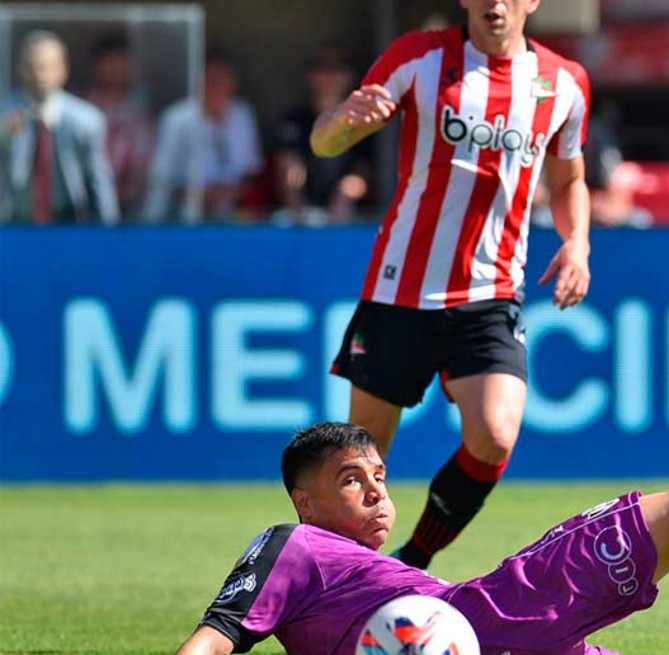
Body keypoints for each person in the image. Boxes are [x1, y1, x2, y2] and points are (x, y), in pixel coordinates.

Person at [171, 422, 669, 655]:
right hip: (498, 613)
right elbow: (213, 637)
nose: (376, 489)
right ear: (305, 502)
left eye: (381, 474)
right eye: (351, 479)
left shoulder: (358, 573)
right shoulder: (290, 545)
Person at [310, 0, 593, 571]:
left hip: (491, 293)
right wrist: (344, 122)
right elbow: (324, 142)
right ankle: (325, 577)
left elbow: (569, 179)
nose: (495, 4)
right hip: (400, 289)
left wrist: (578, 242)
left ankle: (412, 562)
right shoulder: (419, 56)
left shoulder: (564, 83)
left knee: (495, 432)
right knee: (358, 457)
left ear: (532, 1)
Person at [0, 30, 119, 224]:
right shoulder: (4, 117)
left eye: (46, 67)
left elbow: (99, 182)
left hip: (70, 228)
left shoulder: (87, 121)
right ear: (19, 69)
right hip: (13, 230)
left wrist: (109, 237)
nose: (39, 75)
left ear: (62, 70)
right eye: (32, 67)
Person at [144, 50, 263, 223]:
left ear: (234, 83)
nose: (216, 86)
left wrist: (229, 192)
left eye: (222, 79)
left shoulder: (242, 114)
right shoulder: (177, 119)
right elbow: (161, 179)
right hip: (183, 217)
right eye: (209, 80)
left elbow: (251, 171)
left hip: (234, 215)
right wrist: (199, 195)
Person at [271, 44, 372, 225]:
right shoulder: (294, 120)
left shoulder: (364, 121)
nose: (329, 77)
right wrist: (299, 211)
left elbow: (360, 172)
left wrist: (344, 197)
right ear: (311, 76)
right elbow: (288, 165)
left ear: (349, 76)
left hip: (346, 216)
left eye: (337, 69)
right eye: (322, 69)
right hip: (298, 216)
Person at [85, 34, 155, 219]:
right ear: (97, 65)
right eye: (110, 62)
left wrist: (127, 191)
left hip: (133, 207)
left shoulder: (140, 114)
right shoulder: (80, 110)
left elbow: (148, 168)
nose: (116, 69)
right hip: (85, 207)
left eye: (122, 62)